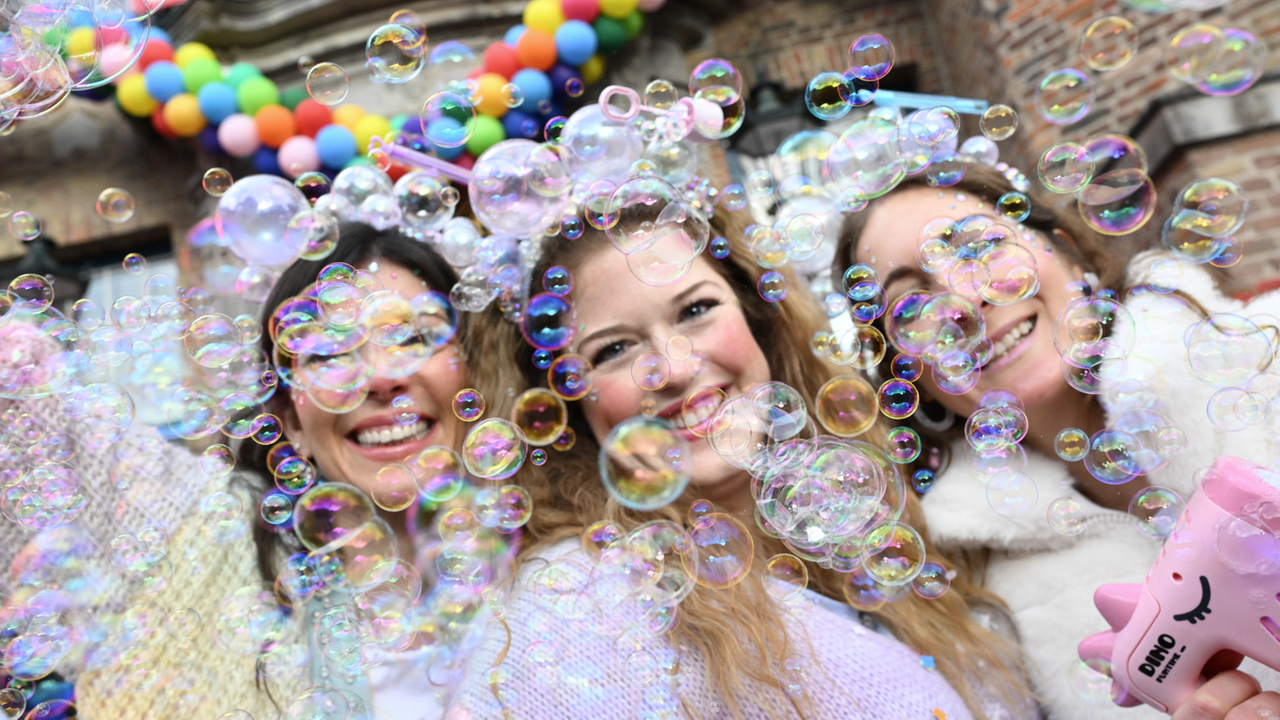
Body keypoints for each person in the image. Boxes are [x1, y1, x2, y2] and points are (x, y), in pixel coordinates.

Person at [445, 207, 1041, 719]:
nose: (675, 367)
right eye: (615, 349)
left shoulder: (868, 529)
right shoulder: (581, 601)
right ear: (567, 403)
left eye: (696, 309)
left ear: (758, 319)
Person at [836, 162, 1280, 718]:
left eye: (978, 247)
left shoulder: (1271, 367)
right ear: (911, 376)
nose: (964, 302)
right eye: (911, 302)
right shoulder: (979, 609)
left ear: (1068, 253)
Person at [58, 222, 495, 719]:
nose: (379, 378)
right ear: (291, 423)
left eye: (412, 336)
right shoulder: (216, 571)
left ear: (475, 377)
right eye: (330, 352)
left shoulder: (569, 568)